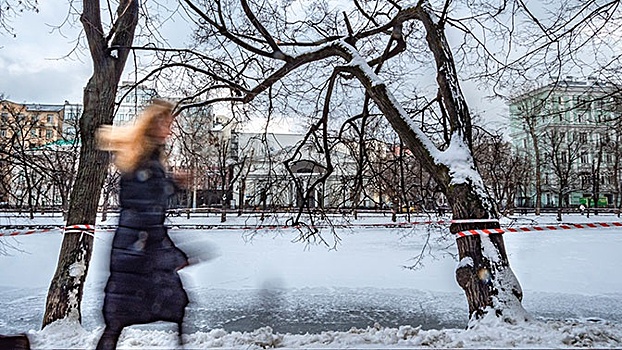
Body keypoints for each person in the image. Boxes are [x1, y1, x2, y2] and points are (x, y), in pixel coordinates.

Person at [95, 100, 189, 350]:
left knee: (124, 315)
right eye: (166, 123)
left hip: (135, 248)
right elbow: (145, 209)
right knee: (168, 305)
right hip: (140, 249)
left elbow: (147, 198)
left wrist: (172, 185)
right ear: (154, 124)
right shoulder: (144, 160)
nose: (170, 129)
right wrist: (174, 254)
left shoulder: (146, 157)